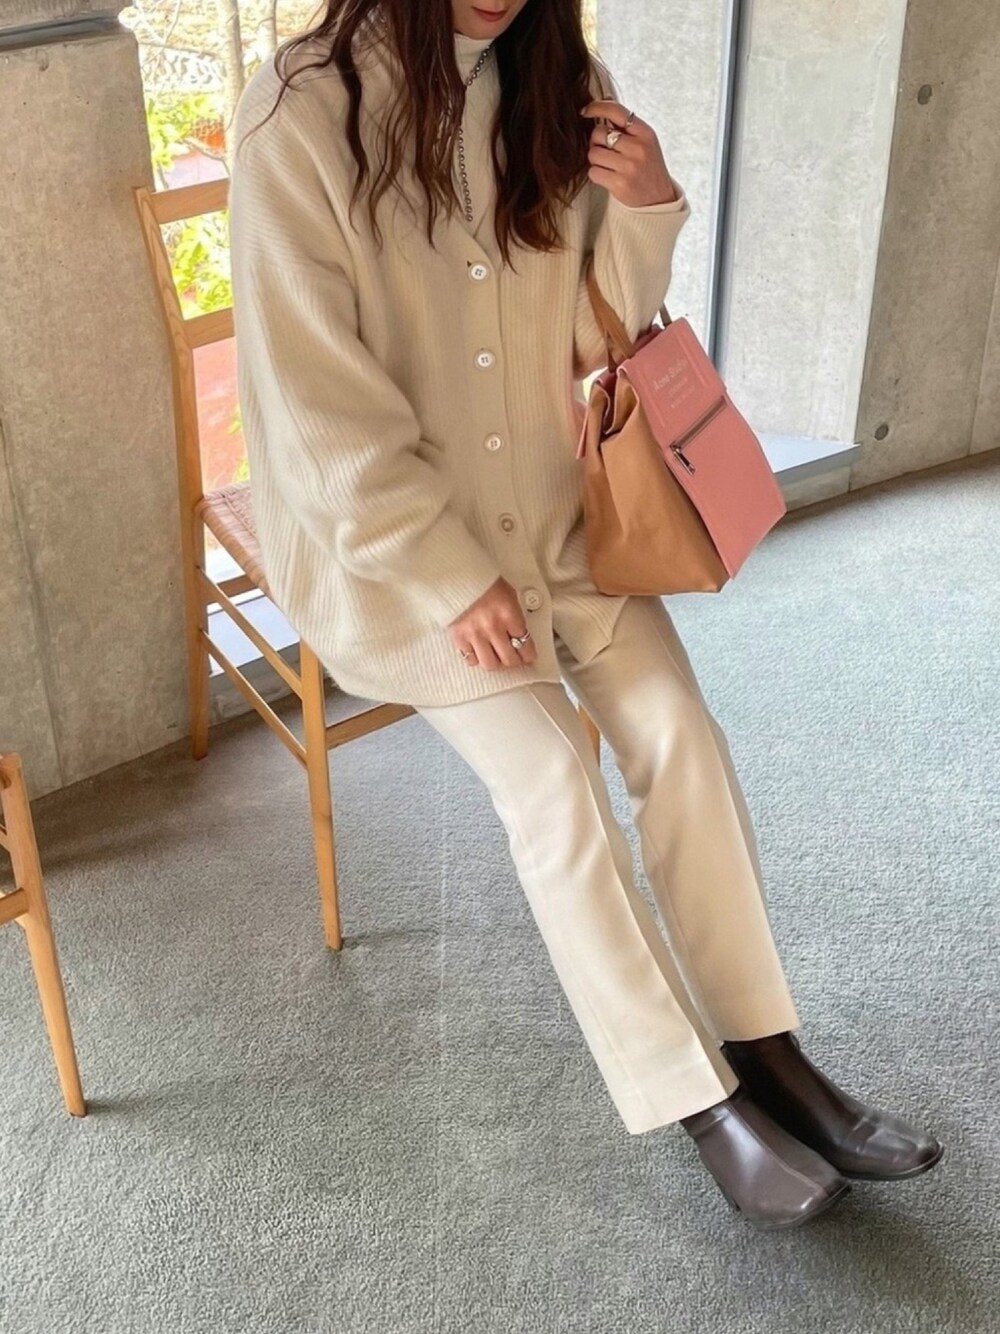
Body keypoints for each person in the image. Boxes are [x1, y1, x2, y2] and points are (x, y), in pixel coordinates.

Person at [228, 0, 943, 1230]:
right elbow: (313, 404)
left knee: (679, 735)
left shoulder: (559, 78)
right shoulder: (297, 114)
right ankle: (698, 1096)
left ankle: (769, 1048)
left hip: (557, 521)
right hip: (400, 555)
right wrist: (445, 574)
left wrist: (647, 206)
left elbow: (590, 339)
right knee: (556, 779)